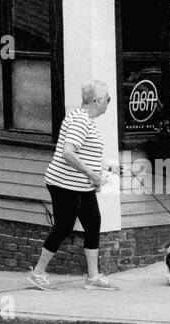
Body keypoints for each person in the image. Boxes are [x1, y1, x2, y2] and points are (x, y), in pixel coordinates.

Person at [27, 79, 121, 292]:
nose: (108, 102)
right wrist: (94, 177)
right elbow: (68, 153)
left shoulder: (83, 119)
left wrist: (105, 165)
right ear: (97, 100)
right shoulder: (81, 121)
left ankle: (92, 277)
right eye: (107, 99)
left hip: (80, 185)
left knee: (93, 221)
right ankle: (37, 273)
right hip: (65, 184)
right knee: (64, 226)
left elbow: (83, 153)